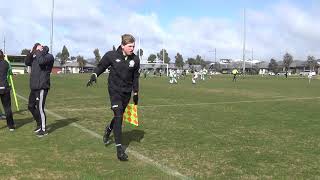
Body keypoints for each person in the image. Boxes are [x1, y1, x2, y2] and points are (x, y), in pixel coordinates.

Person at [86, 34, 140, 161]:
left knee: (119, 115)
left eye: (133, 46)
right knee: (119, 116)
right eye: (130, 46)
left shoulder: (135, 60)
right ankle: (119, 150)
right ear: (122, 46)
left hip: (126, 92)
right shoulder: (111, 55)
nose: (132, 48)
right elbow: (101, 66)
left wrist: (136, 92)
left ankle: (109, 128)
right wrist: (94, 74)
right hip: (114, 91)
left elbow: (135, 77)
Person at [25, 44, 54, 137]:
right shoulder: (36, 57)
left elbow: (41, 62)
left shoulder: (48, 56)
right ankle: (39, 124)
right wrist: (30, 53)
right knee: (30, 106)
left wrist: (38, 52)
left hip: (42, 86)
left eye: (38, 48)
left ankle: (43, 129)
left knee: (40, 108)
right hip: (34, 87)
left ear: (42, 48)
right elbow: (27, 62)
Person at [0, 50, 15, 131]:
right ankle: (11, 126)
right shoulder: (7, 63)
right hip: (5, 87)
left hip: (4, 87)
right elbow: (10, 72)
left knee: (7, 108)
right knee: (7, 108)